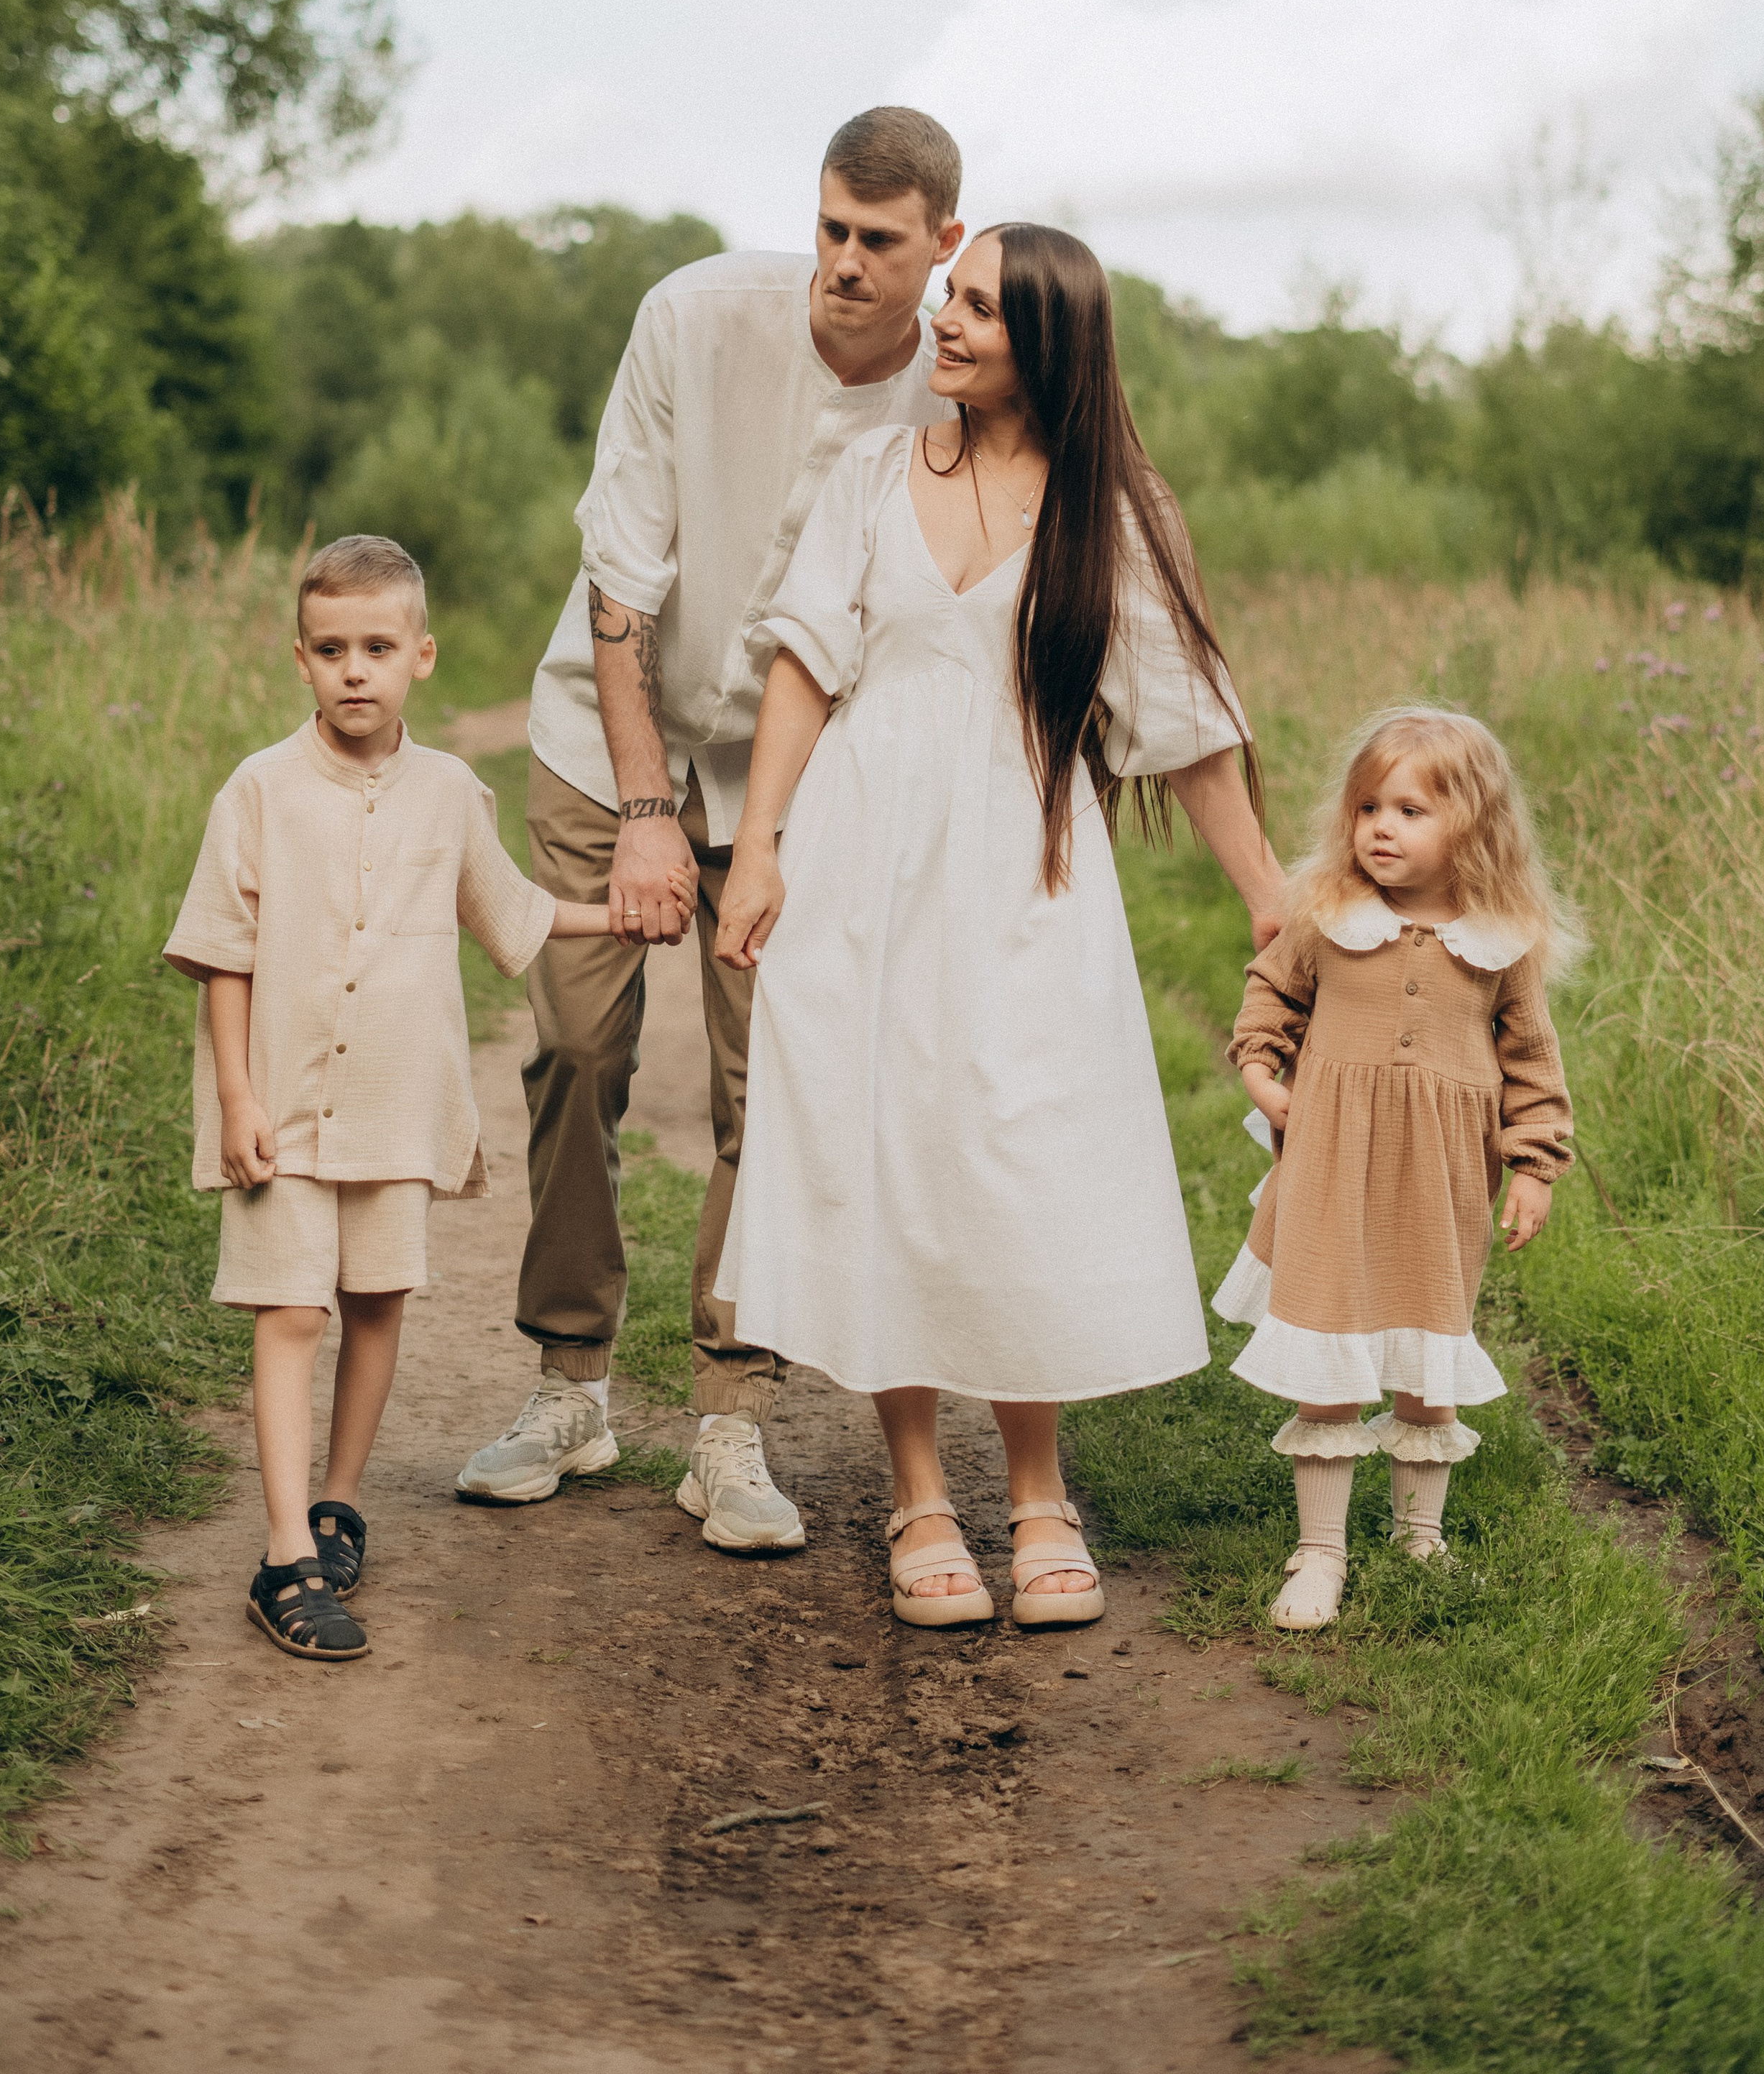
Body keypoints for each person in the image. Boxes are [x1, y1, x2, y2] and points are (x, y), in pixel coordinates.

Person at [709, 224, 1286, 1629]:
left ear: (1045, 345)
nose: (941, 323)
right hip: (859, 868)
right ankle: (915, 1489)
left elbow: (1187, 732)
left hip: (1024, 877)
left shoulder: (1112, 505)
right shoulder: (867, 477)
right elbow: (802, 667)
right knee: (883, 1155)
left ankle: (1036, 1491)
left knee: (1020, 1157)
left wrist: (1273, 902)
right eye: (948, 299)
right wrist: (759, 848)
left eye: (973, 309)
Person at [456, 109, 966, 1551]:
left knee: (772, 1089)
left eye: (878, 240)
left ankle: (729, 1421)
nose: (844, 265)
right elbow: (621, 586)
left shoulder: (957, 388)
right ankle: (569, 1384)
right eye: (829, 230)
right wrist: (639, 813)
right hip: (602, 738)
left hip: (798, 781)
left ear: (941, 240)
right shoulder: (691, 316)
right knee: (575, 1042)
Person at [165, 535, 689, 1661]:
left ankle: (336, 1506)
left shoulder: (452, 793)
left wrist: (636, 915)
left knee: (374, 1305)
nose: (356, 669)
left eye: (379, 648)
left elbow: (518, 913)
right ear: (300, 660)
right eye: (333, 649)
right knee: (290, 1313)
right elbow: (221, 953)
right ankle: (281, 1556)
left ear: (422, 657)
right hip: (283, 1109)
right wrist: (238, 1096)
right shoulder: (258, 791)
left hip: (395, 1106)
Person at [1216, 705, 1579, 1633]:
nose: (1381, 826)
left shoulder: (1503, 942)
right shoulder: (1328, 917)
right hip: (1331, 1168)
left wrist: (1532, 1167)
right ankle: (1320, 1549)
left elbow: (1534, 1065)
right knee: (1329, 1344)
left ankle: (1421, 1534)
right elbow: (1272, 995)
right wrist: (1264, 1073)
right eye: (1369, 806)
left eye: (1411, 811)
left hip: (1442, 1185)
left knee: (1428, 1348)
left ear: (1475, 828)